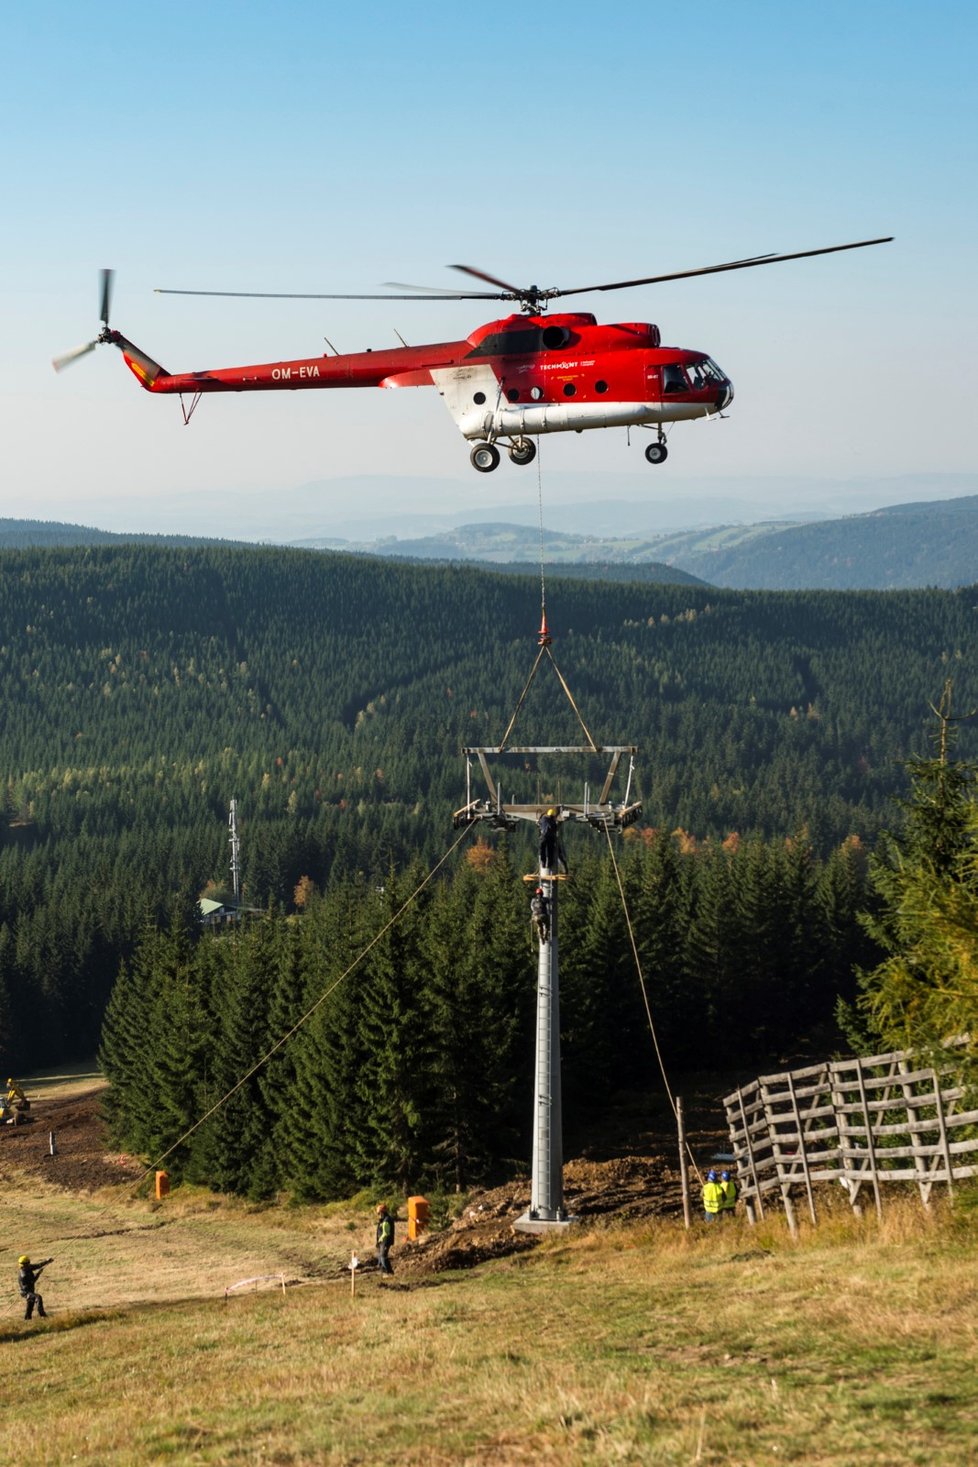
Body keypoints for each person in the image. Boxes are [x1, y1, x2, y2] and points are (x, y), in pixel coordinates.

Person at [18, 1254, 52, 1320]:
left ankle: (27, 1319)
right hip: (26, 1292)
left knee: (30, 1304)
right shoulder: (23, 1275)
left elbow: (38, 1266)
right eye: (28, 1263)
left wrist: (47, 1261)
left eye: (29, 1263)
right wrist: (38, 1273)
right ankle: (43, 1315)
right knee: (38, 1297)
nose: (29, 1264)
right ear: (23, 1265)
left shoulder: (28, 1267)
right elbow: (33, 1281)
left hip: (30, 1290)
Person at [375, 1203, 394, 1277]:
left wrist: (379, 1240)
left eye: (379, 1213)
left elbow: (386, 1233)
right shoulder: (383, 1220)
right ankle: (383, 1272)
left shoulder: (386, 1220)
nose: (378, 1215)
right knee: (380, 1257)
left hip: (385, 1241)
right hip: (382, 1242)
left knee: (383, 1257)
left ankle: (390, 1272)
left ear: (382, 1212)